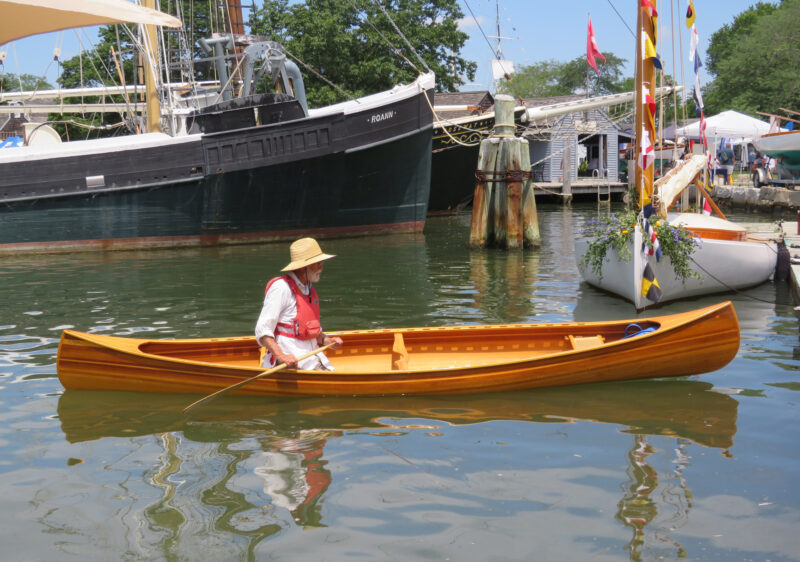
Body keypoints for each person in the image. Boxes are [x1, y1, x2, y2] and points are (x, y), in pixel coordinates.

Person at [255, 237, 343, 370]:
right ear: (303, 268)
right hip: (292, 361)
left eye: (321, 263)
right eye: (317, 263)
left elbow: (309, 330)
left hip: (313, 358)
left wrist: (327, 341)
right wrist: (281, 356)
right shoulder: (281, 288)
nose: (321, 267)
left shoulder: (307, 288)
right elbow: (262, 330)